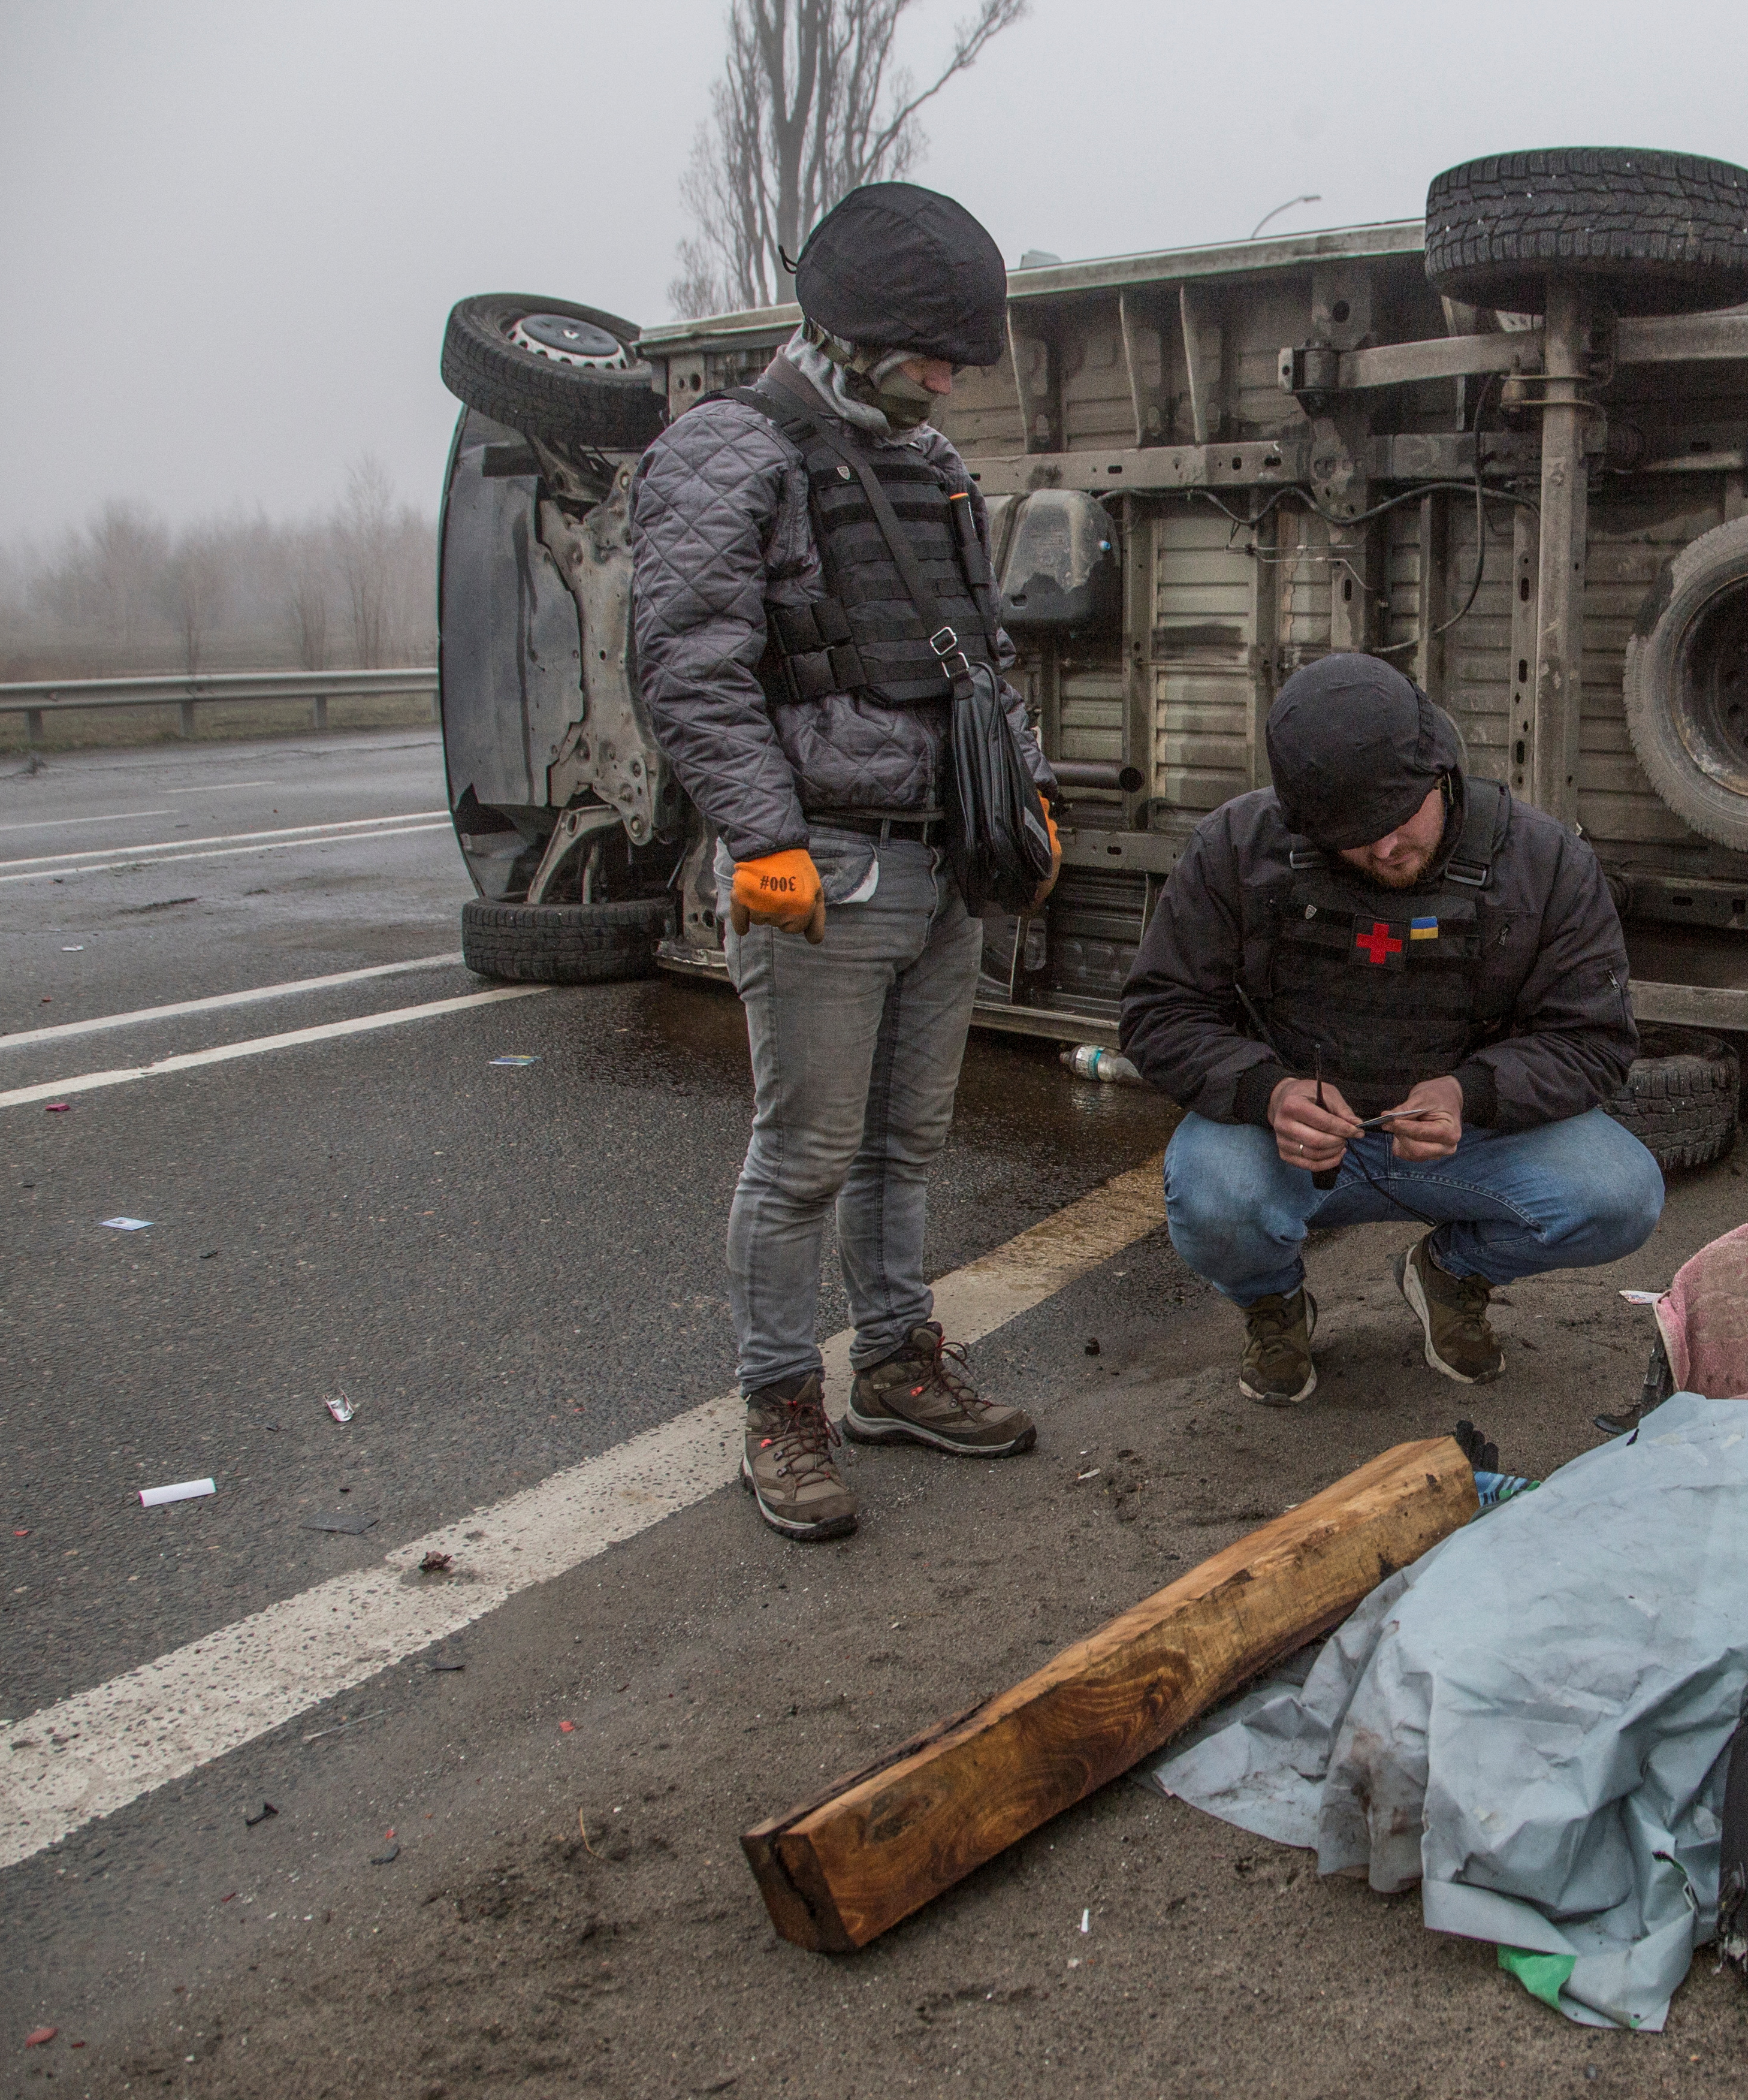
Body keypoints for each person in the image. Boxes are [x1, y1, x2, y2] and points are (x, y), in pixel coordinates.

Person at [630, 180, 1053, 1545]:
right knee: (804, 1152)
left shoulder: (928, 465)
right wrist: (760, 839)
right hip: (819, 863)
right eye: (933, 354)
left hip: (941, 867)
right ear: (858, 332)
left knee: (905, 1140)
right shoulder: (725, 450)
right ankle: (776, 1405)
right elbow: (690, 668)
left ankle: (892, 1362)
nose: (946, 380)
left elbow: (981, 659)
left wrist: (1025, 795)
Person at [1118, 653, 1663, 1404]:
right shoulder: (1237, 848)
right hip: (1290, 1142)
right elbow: (1159, 1012)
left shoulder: (1545, 863)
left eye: (1399, 818)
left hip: (1464, 1139)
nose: (1384, 849)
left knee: (1620, 1195)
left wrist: (1469, 1092)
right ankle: (1274, 1305)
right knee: (1213, 1197)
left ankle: (1452, 1273)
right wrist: (1267, 1093)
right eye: (1352, 833)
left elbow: (1595, 1042)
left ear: (1440, 769)